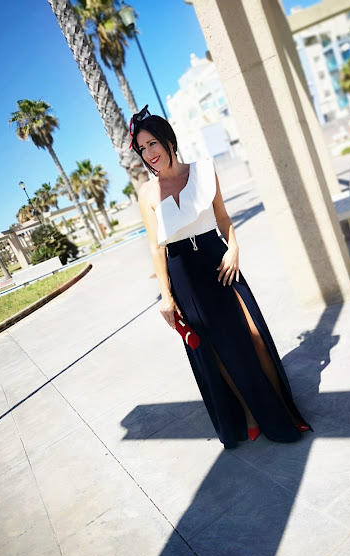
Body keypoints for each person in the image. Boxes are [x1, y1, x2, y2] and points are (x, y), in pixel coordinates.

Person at [131, 105, 313, 449]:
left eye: (153, 143)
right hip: (183, 274)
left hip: (219, 260)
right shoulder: (147, 193)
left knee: (254, 336)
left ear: (169, 140)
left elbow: (223, 218)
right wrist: (166, 297)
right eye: (142, 148)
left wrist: (233, 248)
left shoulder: (203, 170)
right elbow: (156, 248)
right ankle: (248, 414)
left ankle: (284, 411)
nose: (149, 153)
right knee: (215, 351)